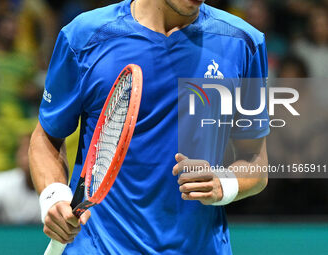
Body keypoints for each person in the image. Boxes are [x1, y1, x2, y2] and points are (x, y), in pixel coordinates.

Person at [29, 0, 269, 254]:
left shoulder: (244, 43)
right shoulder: (84, 36)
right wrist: (53, 197)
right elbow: (46, 137)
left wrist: (224, 183)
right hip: (99, 246)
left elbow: (256, 161)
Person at [0, 134, 41, 224]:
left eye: (34, 152)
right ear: (17, 155)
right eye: (24, 152)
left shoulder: (62, 186)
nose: (28, 157)